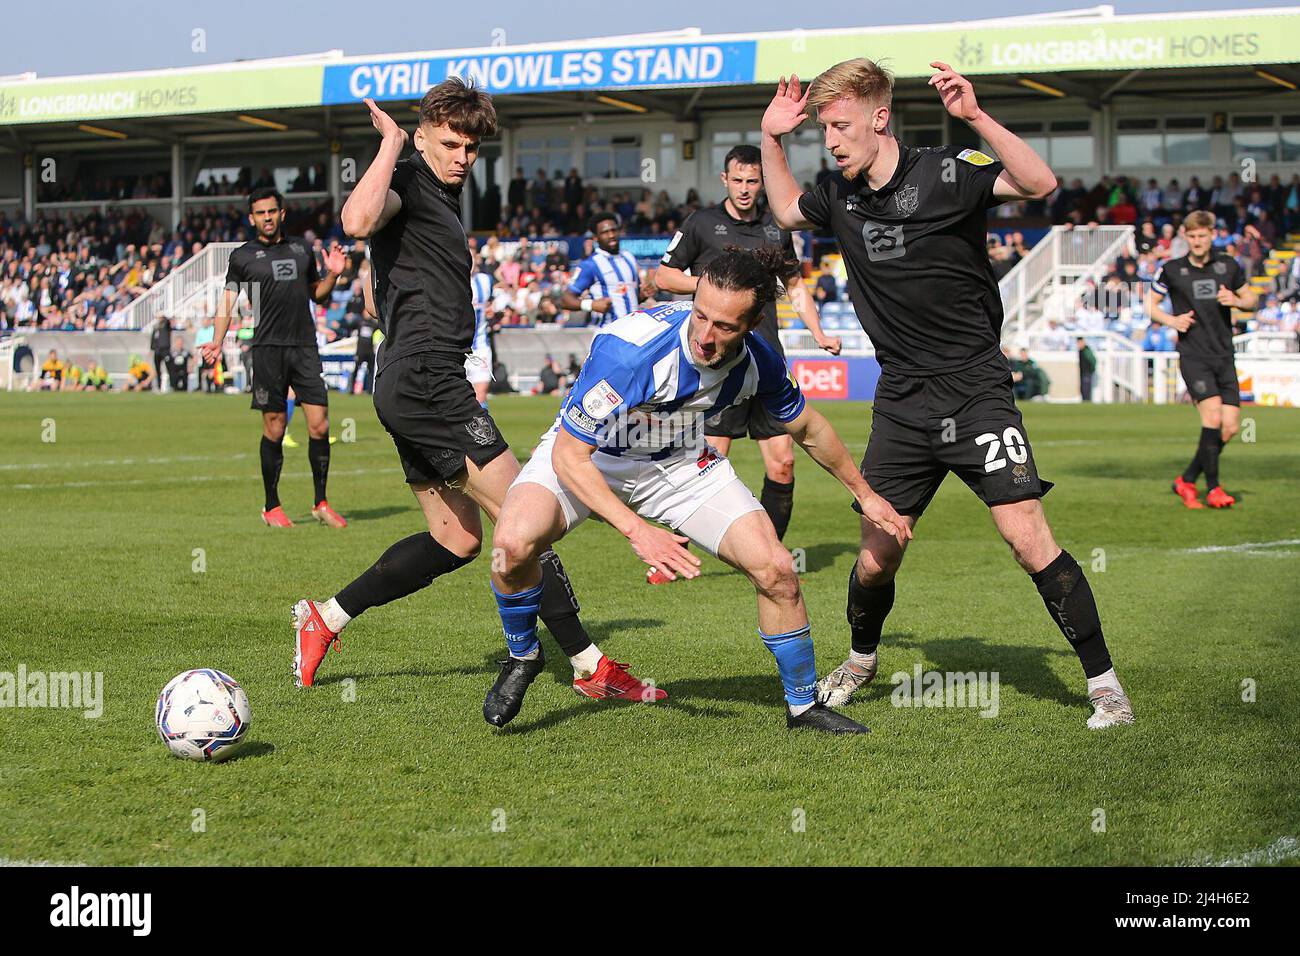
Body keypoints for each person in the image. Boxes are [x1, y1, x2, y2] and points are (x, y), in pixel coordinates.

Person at [761, 57, 1134, 729]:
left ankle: (1105, 684)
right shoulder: (835, 192)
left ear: (880, 118)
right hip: (903, 401)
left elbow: (1040, 181)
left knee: (1025, 535)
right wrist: (772, 139)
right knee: (875, 559)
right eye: (824, 131)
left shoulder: (945, 170)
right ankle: (861, 658)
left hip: (976, 389)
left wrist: (977, 116)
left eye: (841, 126)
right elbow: (786, 209)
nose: (834, 141)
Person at [290, 81, 650, 729]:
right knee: (527, 517)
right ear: (423, 134)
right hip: (428, 379)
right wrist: (392, 144)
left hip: (411, 378)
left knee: (455, 540)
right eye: (448, 143)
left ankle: (326, 617)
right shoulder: (405, 175)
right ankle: (589, 664)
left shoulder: (443, 200)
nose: (460, 157)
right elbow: (355, 222)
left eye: (471, 148)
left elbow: (385, 276)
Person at [489, 246, 910, 733]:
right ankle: (523, 656)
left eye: (725, 327)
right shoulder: (630, 351)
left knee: (776, 570)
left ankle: (803, 705)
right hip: (591, 456)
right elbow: (568, 456)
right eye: (701, 316)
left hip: (679, 465)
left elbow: (809, 428)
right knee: (511, 544)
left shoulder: (760, 361)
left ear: (752, 325)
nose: (706, 337)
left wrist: (867, 494)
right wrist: (636, 531)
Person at [656, 143, 843, 559]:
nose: (744, 189)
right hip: (717, 363)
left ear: (762, 182)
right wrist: (713, 286)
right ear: (725, 179)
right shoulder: (702, 223)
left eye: (752, 181)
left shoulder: (777, 227)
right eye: (737, 180)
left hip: (766, 362)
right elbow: (664, 275)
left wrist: (819, 331)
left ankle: (769, 552)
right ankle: (678, 550)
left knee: (783, 463)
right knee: (708, 463)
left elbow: (794, 285)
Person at [202, 187, 348, 529]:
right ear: (252, 218)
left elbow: (318, 296)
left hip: (304, 346)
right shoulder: (242, 256)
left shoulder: (301, 249)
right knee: (276, 426)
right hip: (268, 349)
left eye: (272, 211)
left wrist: (334, 274)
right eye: (260, 213)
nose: (267, 217)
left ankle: (321, 503)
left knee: (320, 424)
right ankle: (271, 506)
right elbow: (228, 302)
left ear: (282, 214)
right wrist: (216, 341)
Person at [1146, 209, 1258, 510]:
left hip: (1224, 354)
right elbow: (1151, 305)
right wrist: (1171, 321)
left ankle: (1186, 479)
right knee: (1212, 418)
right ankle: (1214, 489)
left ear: (1212, 235)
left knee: (1230, 427)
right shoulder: (1171, 269)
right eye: (1192, 236)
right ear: (1185, 236)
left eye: (1202, 235)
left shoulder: (1228, 265)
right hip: (1194, 355)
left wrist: (1236, 301)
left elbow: (1252, 299)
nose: (1197, 241)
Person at [560, 212, 650, 326]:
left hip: (634, 331)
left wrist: (642, 295)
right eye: (605, 232)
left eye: (614, 230)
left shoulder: (629, 257)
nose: (611, 235)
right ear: (596, 238)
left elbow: (627, 298)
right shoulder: (590, 264)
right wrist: (591, 305)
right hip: (609, 333)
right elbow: (565, 300)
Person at [466, 259, 494, 406]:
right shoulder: (450, 281)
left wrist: (491, 311)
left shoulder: (485, 280)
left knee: (480, 395)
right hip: (456, 347)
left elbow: (491, 303)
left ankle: (481, 428)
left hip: (480, 346)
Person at [150, 314, 172, 391]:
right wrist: (152, 349)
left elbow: (168, 322)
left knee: (169, 368)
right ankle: (159, 386)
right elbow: (153, 339)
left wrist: (164, 316)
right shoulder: (156, 327)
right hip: (157, 350)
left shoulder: (165, 325)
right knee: (157, 369)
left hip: (165, 350)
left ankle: (171, 385)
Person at [1077, 337, 1096, 402]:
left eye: (1080, 342)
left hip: (1087, 373)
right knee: (1083, 389)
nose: (1079, 344)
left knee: (1086, 390)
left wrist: (1091, 370)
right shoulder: (1080, 351)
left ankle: (1087, 402)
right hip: (1082, 373)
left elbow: (1093, 360)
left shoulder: (1086, 350)